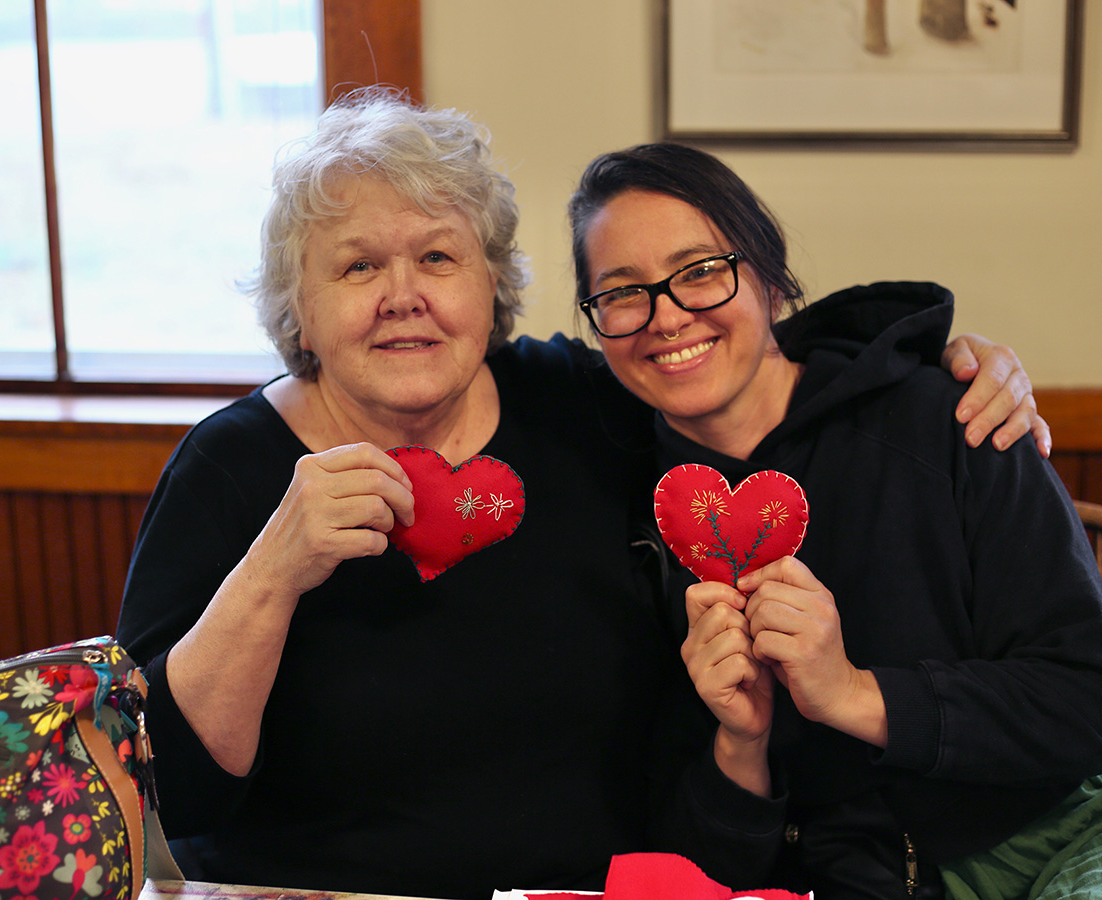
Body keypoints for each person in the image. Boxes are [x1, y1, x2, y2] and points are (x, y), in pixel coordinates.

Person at [116, 90, 1047, 900]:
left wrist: (944, 365)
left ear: (493, 284)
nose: (404, 295)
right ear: (298, 309)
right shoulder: (230, 468)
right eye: (358, 266)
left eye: (438, 258)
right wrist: (274, 570)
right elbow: (173, 792)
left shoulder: (586, 406)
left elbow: (741, 359)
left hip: (606, 891)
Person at [568, 142, 1102, 900]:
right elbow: (693, 855)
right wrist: (741, 746)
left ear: (770, 279)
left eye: (700, 271)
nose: (667, 316)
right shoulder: (625, 509)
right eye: (622, 292)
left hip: (1052, 839)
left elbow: (1085, 699)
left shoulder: (953, 421)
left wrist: (854, 695)